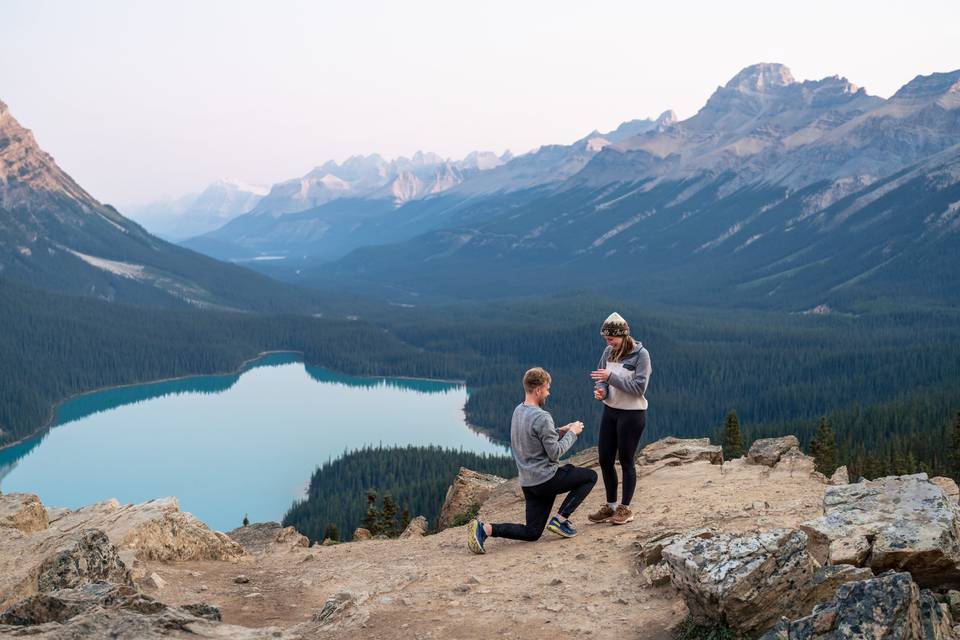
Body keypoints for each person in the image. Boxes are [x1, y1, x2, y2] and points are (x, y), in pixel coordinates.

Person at [468, 367, 597, 554]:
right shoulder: (542, 416)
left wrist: (561, 430)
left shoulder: (519, 410)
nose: (548, 393)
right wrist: (572, 433)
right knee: (590, 476)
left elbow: (534, 436)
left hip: (529, 483)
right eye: (547, 388)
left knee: (533, 532)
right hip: (547, 479)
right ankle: (561, 520)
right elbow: (555, 452)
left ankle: (485, 529)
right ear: (538, 390)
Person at [587, 312, 651, 526]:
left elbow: (638, 388)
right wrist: (601, 391)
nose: (608, 342)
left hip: (632, 414)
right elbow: (601, 380)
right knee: (605, 459)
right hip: (611, 411)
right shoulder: (608, 352)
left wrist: (610, 378)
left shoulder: (641, 355)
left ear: (624, 336)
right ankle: (611, 506)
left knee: (626, 460)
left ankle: (625, 509)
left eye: (612, 339)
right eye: (606, 339)